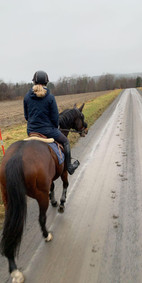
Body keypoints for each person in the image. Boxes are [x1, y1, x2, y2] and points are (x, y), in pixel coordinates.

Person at [24, 70, 80, 175]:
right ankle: (69, 167)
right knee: (66, 142)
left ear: (34, 82)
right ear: (46, 83)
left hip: (31, 131)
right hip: (48, 131)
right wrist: (54, 127)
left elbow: (27, 117)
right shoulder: (50, 97)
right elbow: (55, 118)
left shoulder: (27, 97)